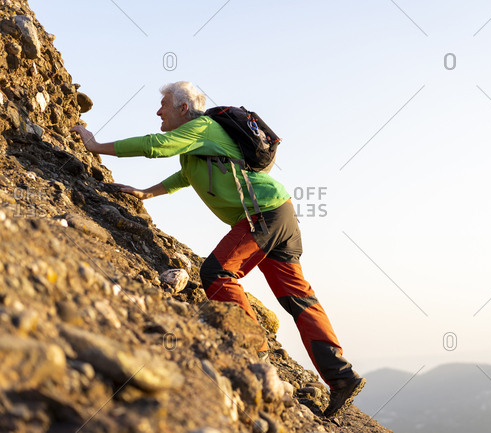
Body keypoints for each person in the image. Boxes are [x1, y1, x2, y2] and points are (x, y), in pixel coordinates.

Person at [71, 81, 365, 418]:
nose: (158, 111)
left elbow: (157, 145)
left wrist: (95, 145)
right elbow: (186, 175)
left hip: (264, 214)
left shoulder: (202, 127)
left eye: (163, 103)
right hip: (277, 212)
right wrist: (147, 193)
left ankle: (254, 349)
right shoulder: (198, 141)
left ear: (183, 108)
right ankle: (342, 376)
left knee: (216, 272)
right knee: (298, 298)